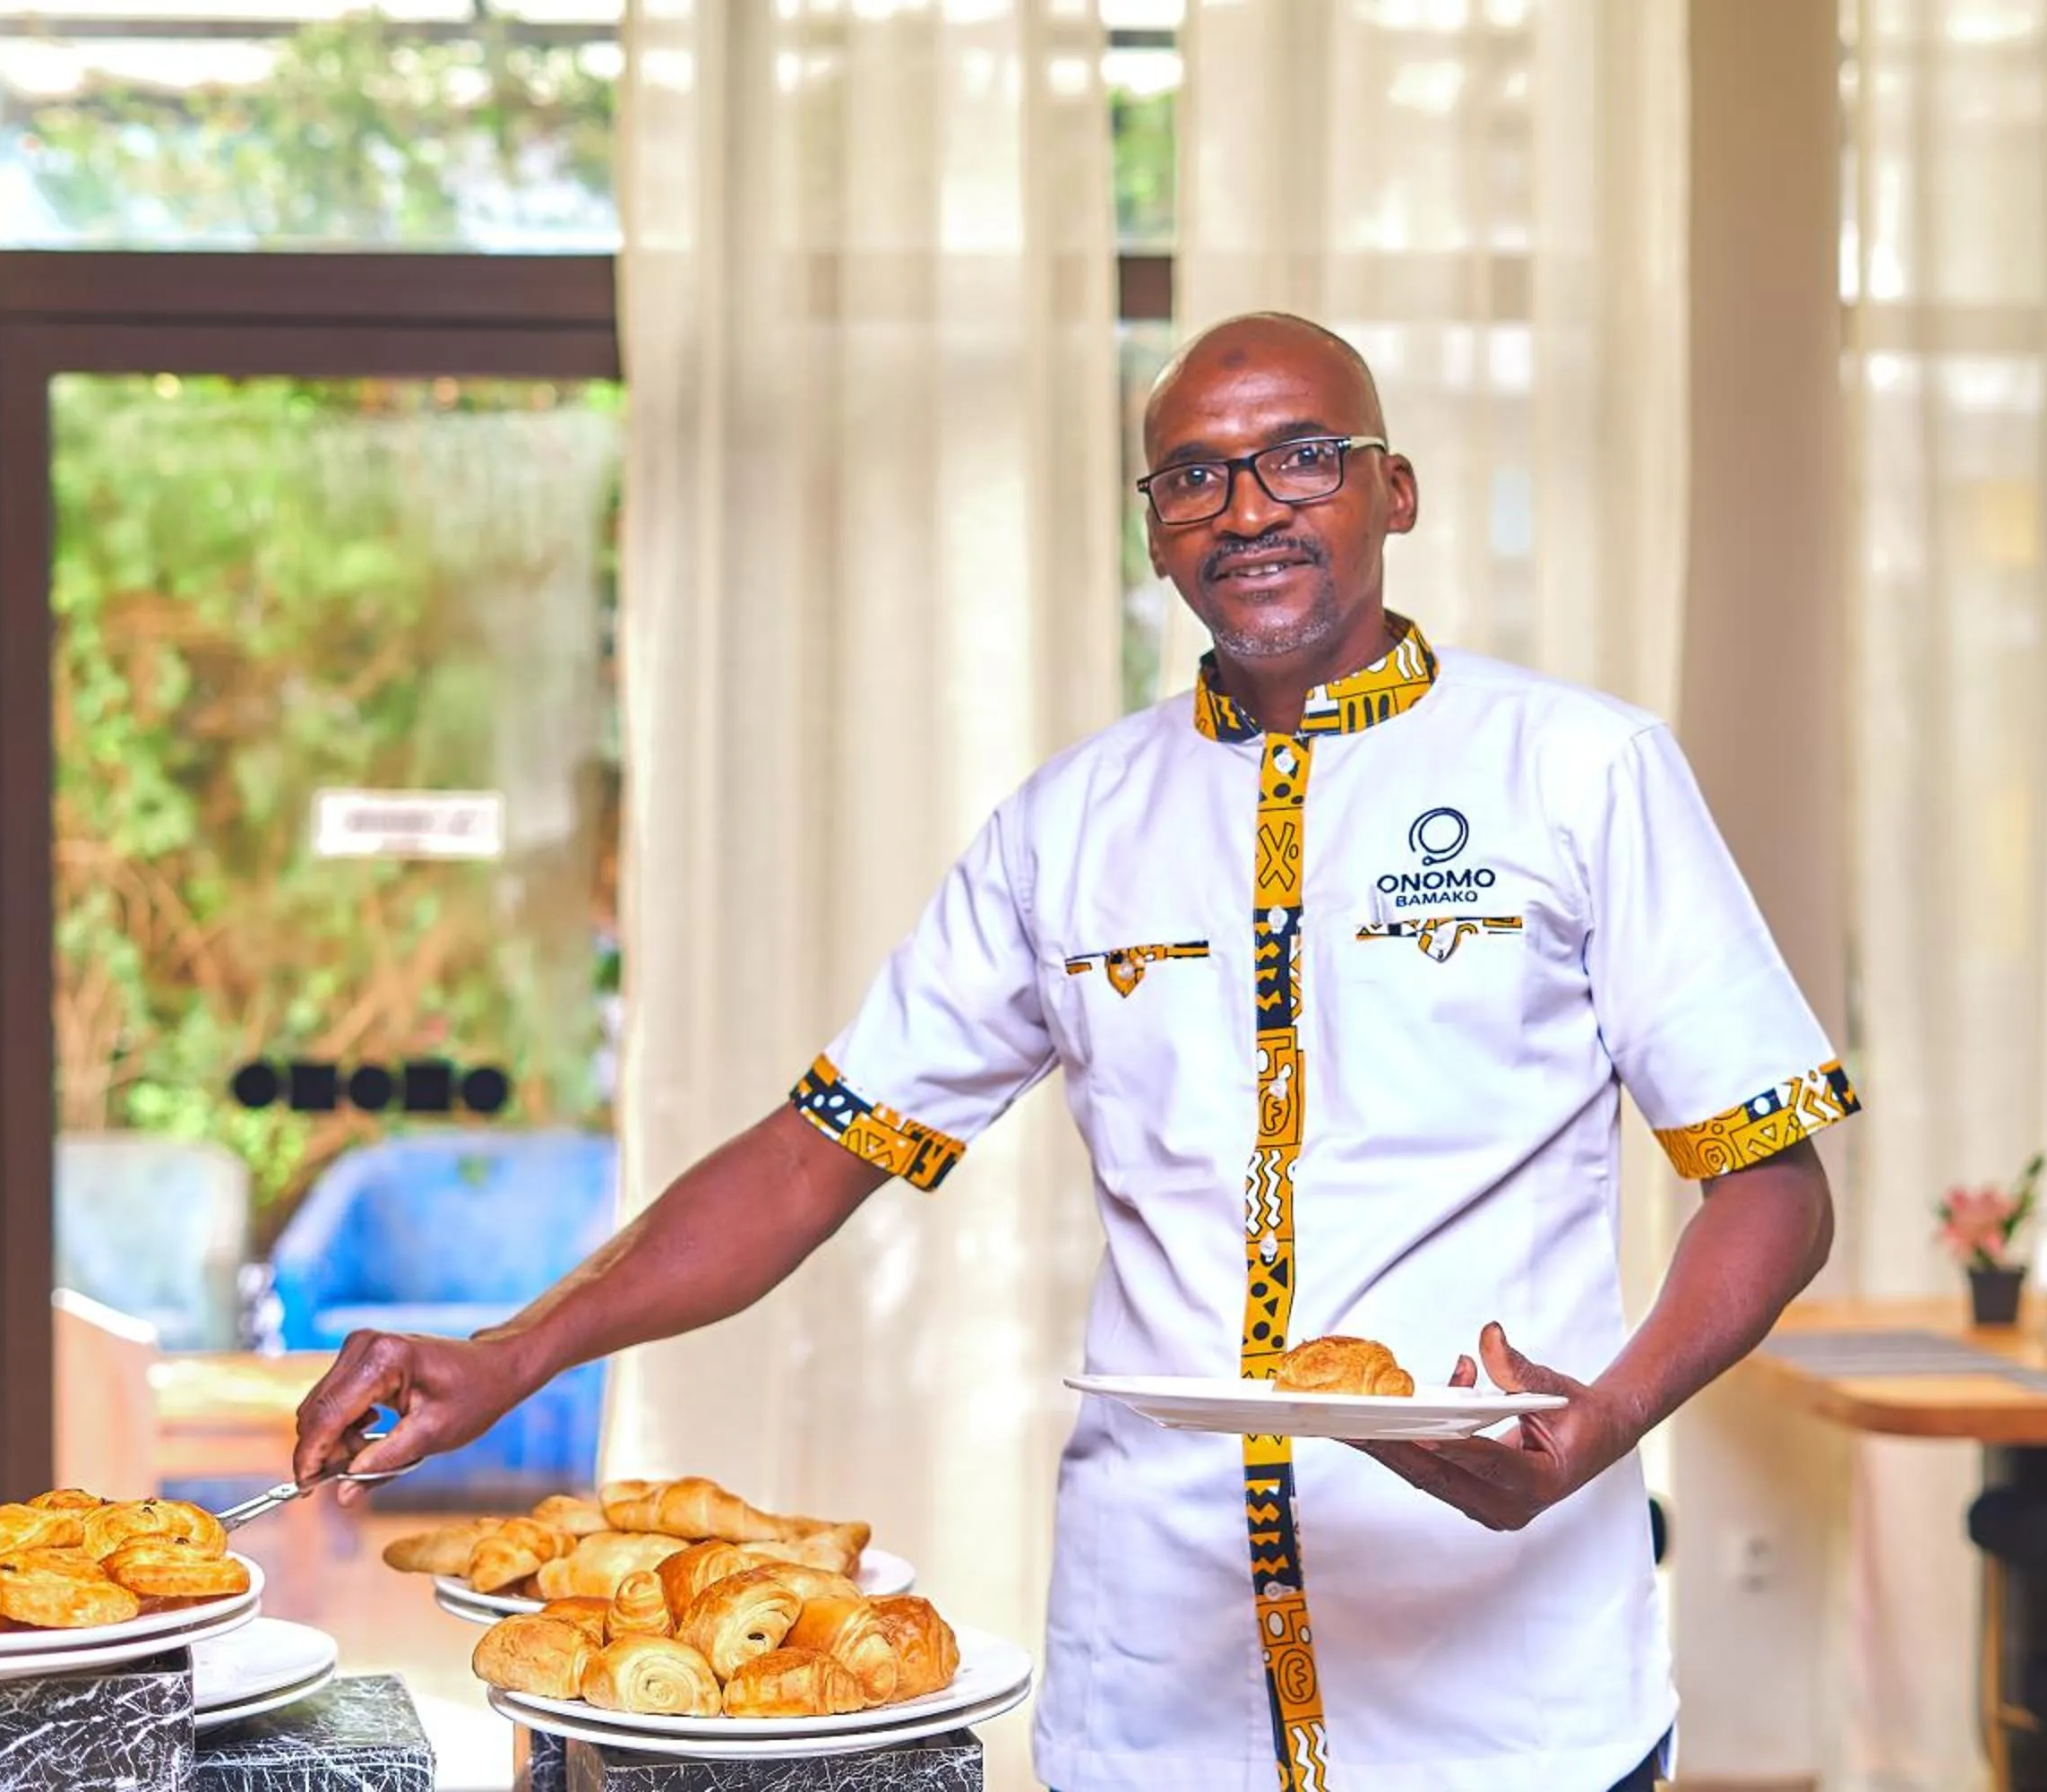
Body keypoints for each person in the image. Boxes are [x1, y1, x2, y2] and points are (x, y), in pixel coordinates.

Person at [291, 312, 1856, 1792]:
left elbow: (1773, 1191)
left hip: (1506, 1686)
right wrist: (517, 1349)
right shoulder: (1068, 826)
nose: (1244, 506)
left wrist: (1600, 1427)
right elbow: (814, 1151)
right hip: (1155, 1684)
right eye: (1191, 475)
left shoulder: (1581, 772)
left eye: (1299, 455)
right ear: (1154, 526)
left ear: (1395, 490)